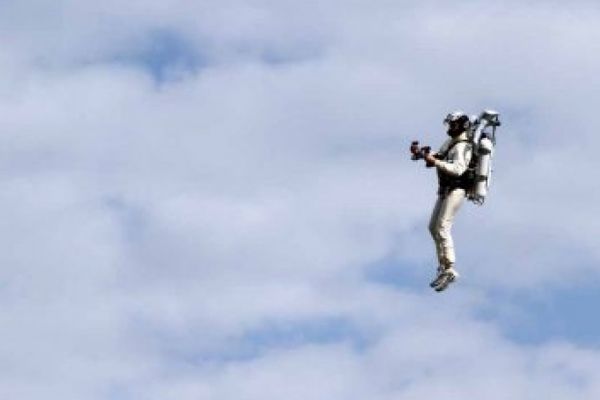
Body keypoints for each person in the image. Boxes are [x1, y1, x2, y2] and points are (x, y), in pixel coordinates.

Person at [422, 111, 473, 292]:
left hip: (456, 190)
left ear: (462, 126)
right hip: (445, 190)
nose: (450, 128)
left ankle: (450, 268)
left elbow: (458, 169)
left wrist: (435, 163)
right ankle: (443, 268)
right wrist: (425, 155)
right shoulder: (452, 143)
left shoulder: (462, 146)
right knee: (432, 227)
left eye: (453, 125)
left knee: (443, 226)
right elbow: (440, 154)